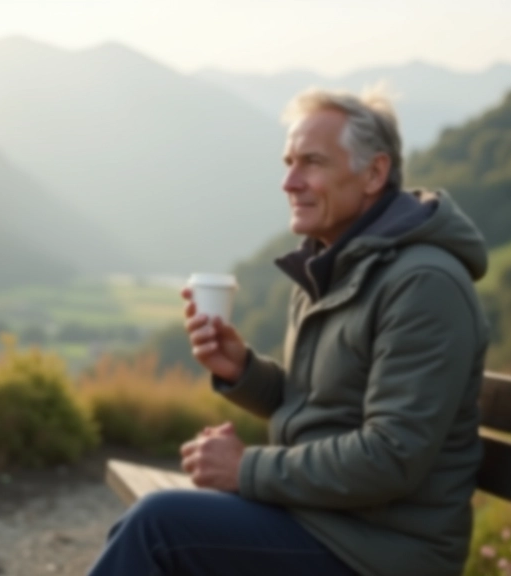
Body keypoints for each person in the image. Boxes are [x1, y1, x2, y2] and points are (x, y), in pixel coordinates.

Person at [86, 87, 489, 576]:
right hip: (325, 523)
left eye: (311, 163)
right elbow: (320, 405)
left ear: (374, 173)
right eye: (288, 161)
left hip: (381, 552)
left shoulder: (423, 285)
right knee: (150, 526)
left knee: (157, 526)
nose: (289, 182)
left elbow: (391, 457)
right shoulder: (330, 263)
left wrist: (245, 469)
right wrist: (245, 372)